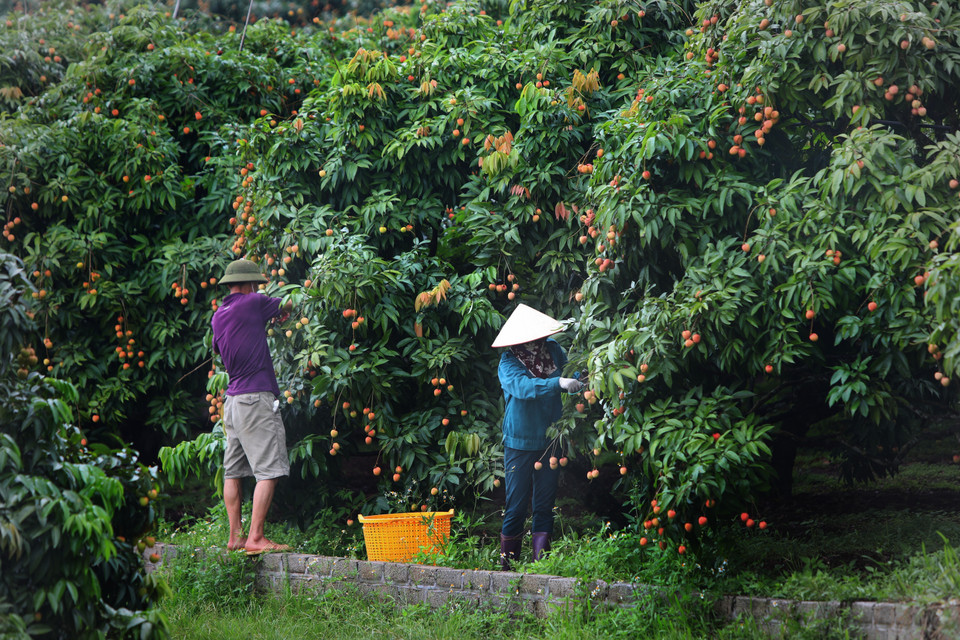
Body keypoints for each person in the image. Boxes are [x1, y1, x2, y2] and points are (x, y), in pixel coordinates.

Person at [211, 258, 293, 556]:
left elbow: (223, 348)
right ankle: (256, 538)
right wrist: (279, 312)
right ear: (248, 284)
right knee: (268, 470)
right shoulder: (254, 302)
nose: (258, 288)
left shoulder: (219, 315)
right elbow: (291, 302)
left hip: (231, 402)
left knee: (232, 472)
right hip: (255, 399)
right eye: (256, 284)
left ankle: (235, 537)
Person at [492, 303, 583, 570]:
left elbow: (571, 374)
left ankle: (540, 568)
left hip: (550, 438)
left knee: (544, 503)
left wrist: (584, 379)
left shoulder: (553, 349)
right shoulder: (508, 361)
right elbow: (522, 387)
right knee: (516, 505)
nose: (538, 340)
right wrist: (558, 383)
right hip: (519, 440)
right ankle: (508, 568)